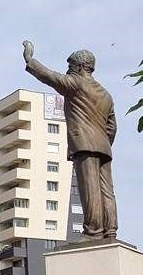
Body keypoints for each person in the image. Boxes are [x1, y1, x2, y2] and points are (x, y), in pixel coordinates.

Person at [23, 42, 118, 239]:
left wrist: (30, 60)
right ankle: (110, 230)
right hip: (104, 147)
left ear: (82, 67)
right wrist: (103, 142)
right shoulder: (106, 95)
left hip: (84, 144)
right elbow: (112, 127)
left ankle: (93, 231)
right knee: (106, 190)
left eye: (71, 66)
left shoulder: (76, 84)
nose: (68, 70)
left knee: (89, 187)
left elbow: (48, 76)